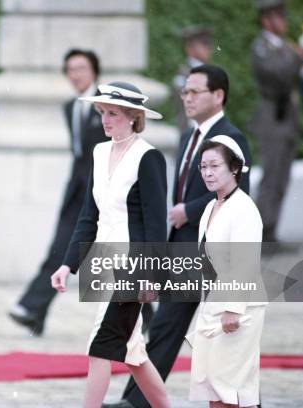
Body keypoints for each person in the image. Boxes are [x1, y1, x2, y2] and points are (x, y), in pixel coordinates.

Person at [104, 64, 252, 408]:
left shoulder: (233, 137)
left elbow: (239, 191)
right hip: (182, 245)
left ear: (218, 95)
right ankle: (136, 402)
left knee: (226, 337)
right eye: (184, 92)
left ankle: (245, 400)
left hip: (215, 251)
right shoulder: (188, 136)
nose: (187, 98)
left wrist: (190, 210)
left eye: (194, 92)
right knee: (167, 326)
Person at [51, 82, 170, 408]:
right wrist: (67, 264)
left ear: (133, 117)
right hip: (103, 263)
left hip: (132, 267)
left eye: (113, 113)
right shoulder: (99, 152)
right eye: (102, 112)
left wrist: (152, 275)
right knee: (133, 353)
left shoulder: (149, 158)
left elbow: (156, 224)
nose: (105, 119)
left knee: (99, 345)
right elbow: (89, 215)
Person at [9, 48, 107, 335]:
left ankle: (152, 320)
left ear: (94, 71)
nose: (75, 74)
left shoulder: (107, 104)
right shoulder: (69, 107)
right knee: (60, 249)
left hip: (107, 194)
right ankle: (33, 311)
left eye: (81, 68)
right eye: (70, 69)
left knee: (123, 256)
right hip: (77, 193)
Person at [189, 135, 266, 407]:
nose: (207, 173)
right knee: (212, 386)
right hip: (212, 305)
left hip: (238, 310)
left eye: (215, 166)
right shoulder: (211, 206)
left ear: (234, 168)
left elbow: (246, 262)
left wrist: (233, 308)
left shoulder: (244, 208)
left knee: (229, 388)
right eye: (203, 167)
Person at [250, 0, 303, 242]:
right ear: (266, 20)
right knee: (271, 177)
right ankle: (260, 233)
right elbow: (280, 73)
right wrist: (298, 56)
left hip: (287, 119)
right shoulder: (261, 47)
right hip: (272, 118)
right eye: (278, 17)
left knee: (282, 177)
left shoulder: (284, 46)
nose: (284, 22)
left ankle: (271, 231)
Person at [173, 25, 214, 133]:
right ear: (189, 48)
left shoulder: (211, 71)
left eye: (208, 44)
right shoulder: (183, 74)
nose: (208, 48)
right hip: (191, 130)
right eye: (203, 44)